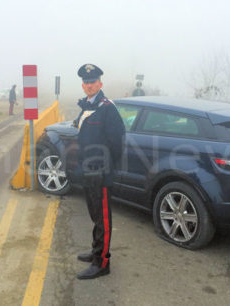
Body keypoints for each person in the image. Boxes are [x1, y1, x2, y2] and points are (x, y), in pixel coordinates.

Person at [73, 64, 125, 280]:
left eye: (92, 82)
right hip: (88, 170)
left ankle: (102, 262)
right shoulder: (86, 106)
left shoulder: (107, 108)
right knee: (95, 215)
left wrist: (107, 167)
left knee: (103, 218)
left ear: (100, 84)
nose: (89, 85)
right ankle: (96, 251)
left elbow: (117, 142)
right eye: (86, 82)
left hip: (101, 172)